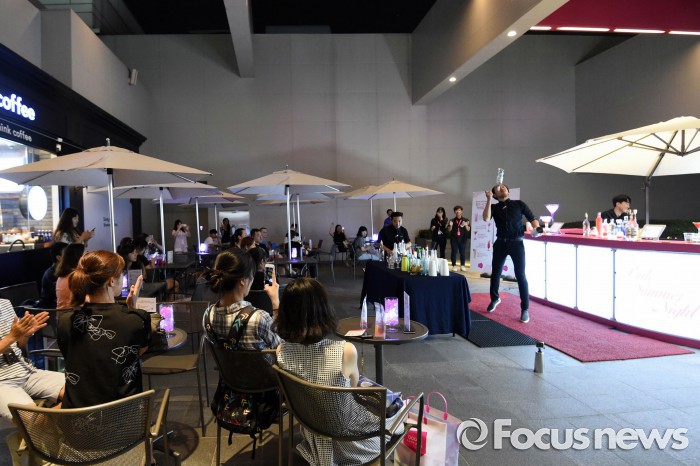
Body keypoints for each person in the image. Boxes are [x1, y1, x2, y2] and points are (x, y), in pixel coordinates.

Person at [274, 278, 403, 465]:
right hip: (350, 438)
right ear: (322, 310)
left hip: (311, 427)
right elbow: (354, 391)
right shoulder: (345, 351)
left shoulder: (281, 352)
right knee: (399, 409)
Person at [57, 251, 150, 409]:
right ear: (111, 281)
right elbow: (136, 352)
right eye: (121, 274)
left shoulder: (66, 321)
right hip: (124, 418)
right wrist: (132, 309)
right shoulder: (136, 320)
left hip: (76, 419)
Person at [0, 298, 65, 427]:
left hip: (27, 372)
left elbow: (20, 347)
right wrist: (12, 337)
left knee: (83, 391)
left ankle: (41, 429)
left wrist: (24, 336)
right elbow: (11, 337)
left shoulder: (4, 303)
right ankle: (40, 429)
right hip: (2, 382)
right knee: (34, 421)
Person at [483, 183, 542, 324]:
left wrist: (537, 228)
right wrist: (489, 199)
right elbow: (486, 218)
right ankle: (495, 298)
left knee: (520, 275)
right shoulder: (494, 207)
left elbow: (532, 218)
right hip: (500, 243)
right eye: (499, 188)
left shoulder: (519, 204)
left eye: (504, 187)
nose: (502, 188)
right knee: (495, 273)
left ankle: (525, 309)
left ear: (508, 191)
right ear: (495, 195)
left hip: (517, 243)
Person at [55, 243, 86, 309]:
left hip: (62, 313)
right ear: (79, 257)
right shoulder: (76, 276)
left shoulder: (62, 276)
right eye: (86, 254)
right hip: (72, 313)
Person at [38, 241, 68, 308]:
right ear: (59, 258)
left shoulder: (64, 270)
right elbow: (60, 296)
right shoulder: (51, 274)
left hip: (61, 306)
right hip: (50, 309)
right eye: (68, 254)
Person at [447, 205, 471, 271]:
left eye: (459, 210)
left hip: (463, 239)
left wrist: (466, 225)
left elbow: (468, 229)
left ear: (461, 211)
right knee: (454, 252)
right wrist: (450, 226)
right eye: (456, 210)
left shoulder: (466, 220)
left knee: (462, 252)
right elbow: (449, 230)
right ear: (454, 212)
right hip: (454, 239)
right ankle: (454, 265)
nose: (457, 211)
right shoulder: (452, 220)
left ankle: (462, 265)